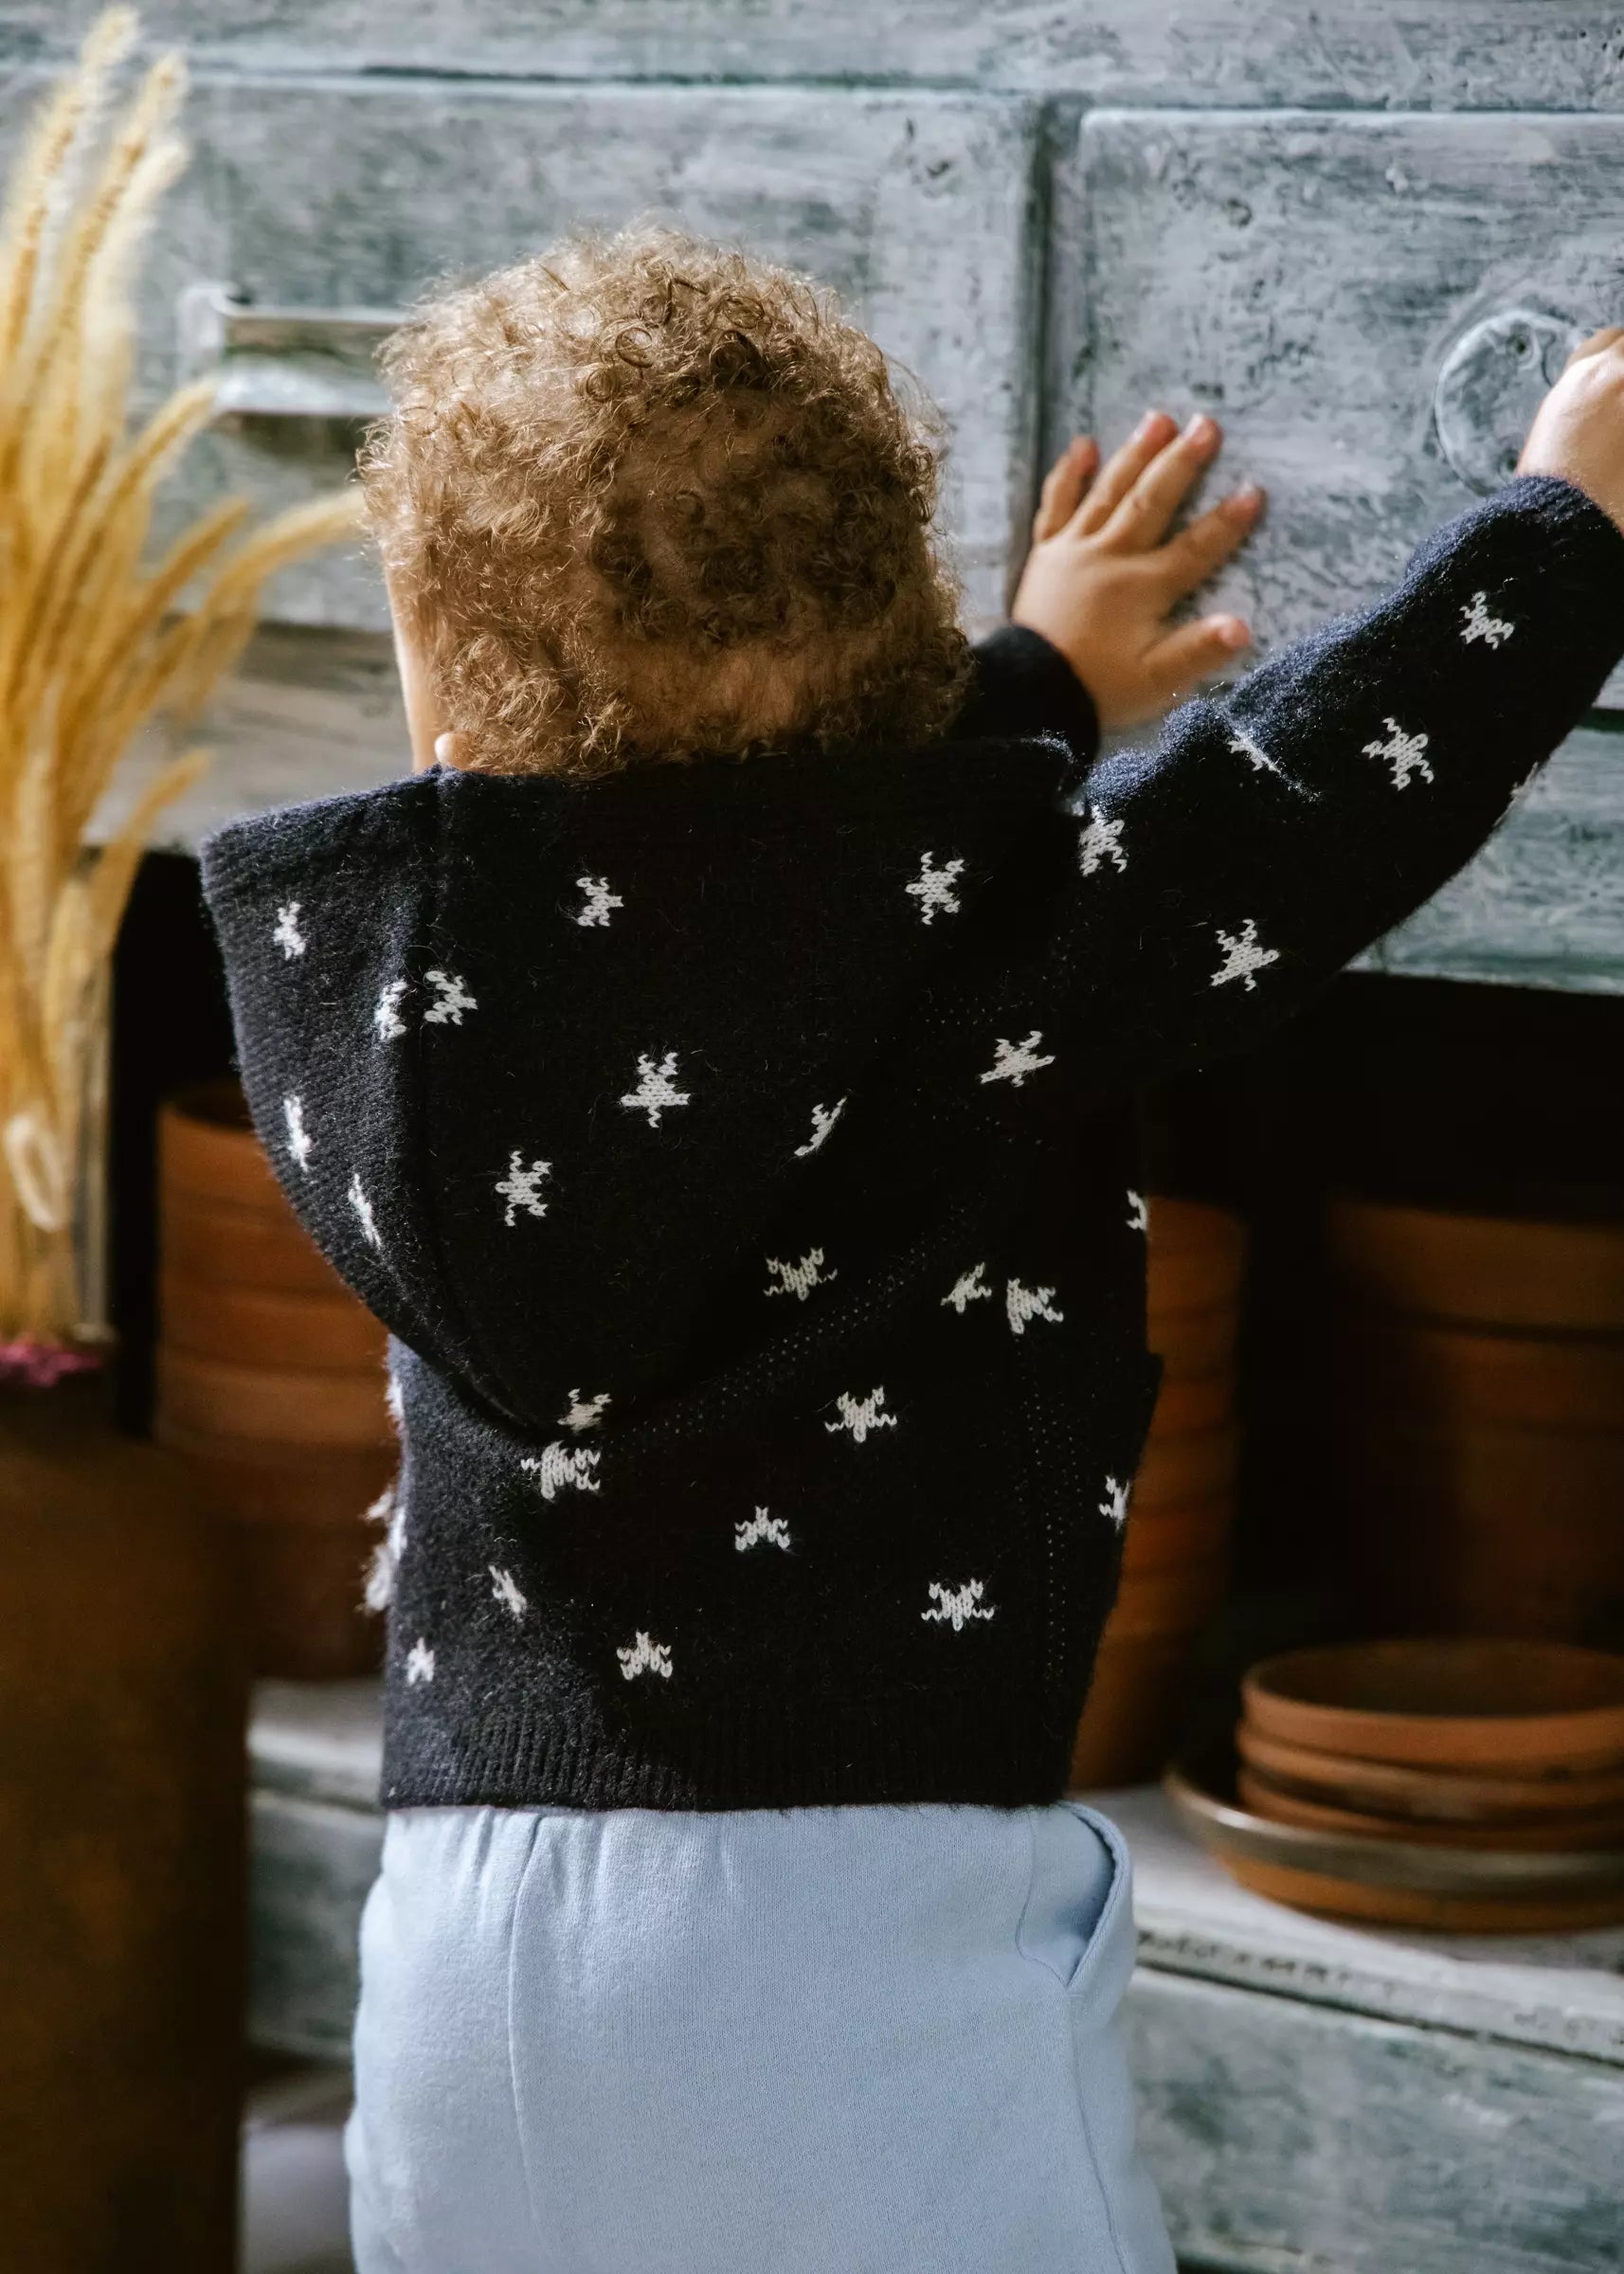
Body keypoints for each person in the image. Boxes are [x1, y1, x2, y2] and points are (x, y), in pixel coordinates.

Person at [200, 228, 1624, 2273]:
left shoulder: (400, 1024)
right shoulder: (997, 961)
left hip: (464, 1949)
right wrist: (1560, 527)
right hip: (858, 1947)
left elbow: (752, 914)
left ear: (430, 675)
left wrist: (1029, 688)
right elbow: (1293, 811)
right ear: (890, 648)